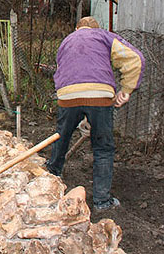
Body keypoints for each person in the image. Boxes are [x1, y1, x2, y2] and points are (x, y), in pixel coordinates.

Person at [46, 16, 145, 211]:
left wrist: (80, 111)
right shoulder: (104, 37)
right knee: (103, 148)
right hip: (100, 96)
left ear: (77, 28)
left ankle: (50, 180)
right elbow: (135, 59)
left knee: (61, 137)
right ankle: (102, 201)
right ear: (96, 29)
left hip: (68, 96)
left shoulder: (66, 41)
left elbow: (65, 73)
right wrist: (125, 90)